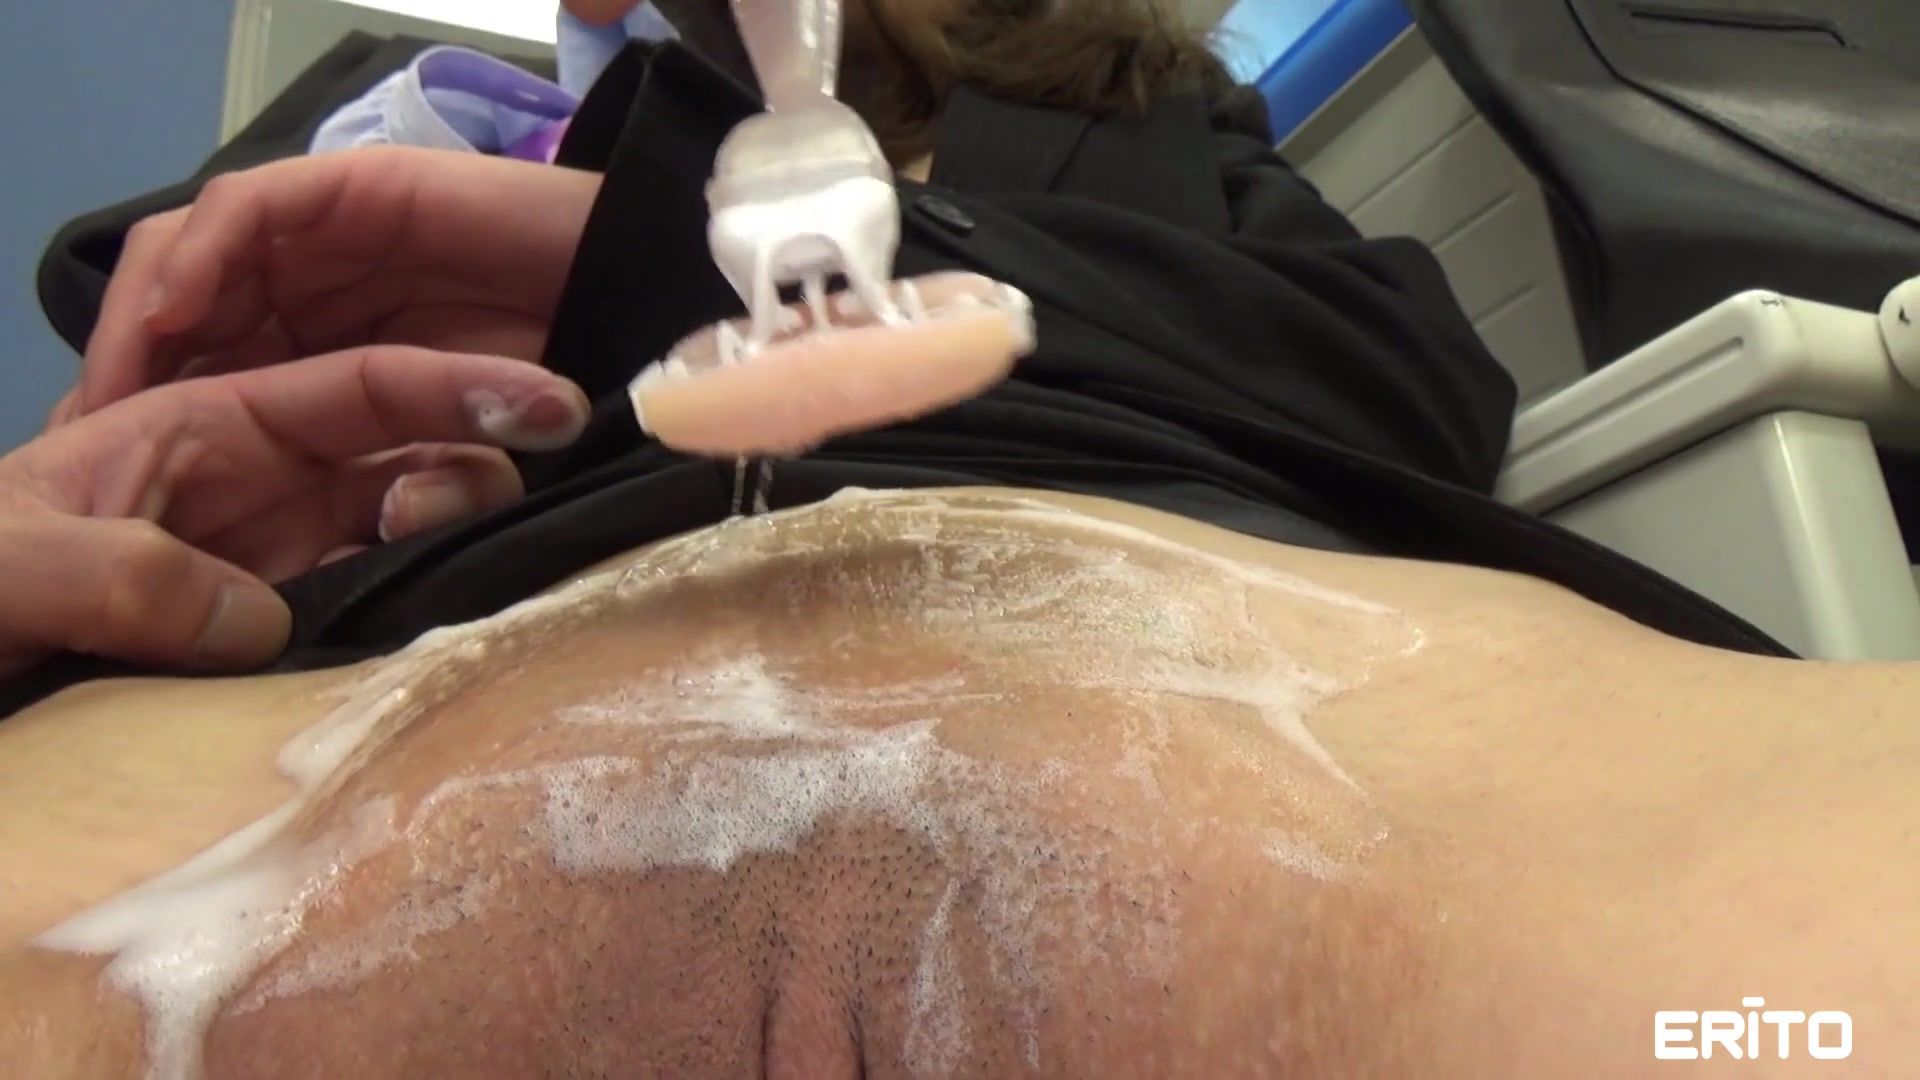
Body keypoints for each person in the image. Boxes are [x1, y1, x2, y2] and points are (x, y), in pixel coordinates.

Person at [3, 0, 1914, 1075]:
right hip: (341, 659)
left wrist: (733, 256)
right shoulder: (339, 154)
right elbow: (116, 515)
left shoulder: (1128, 119)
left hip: (1173, 565)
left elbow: (1398, 376)